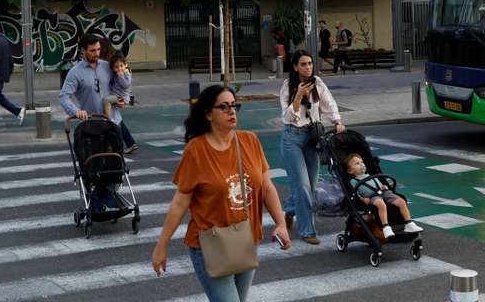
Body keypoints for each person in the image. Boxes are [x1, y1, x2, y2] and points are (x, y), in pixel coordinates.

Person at [151, 85, 291, 301]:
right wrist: (161, 246)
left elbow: (267, 187)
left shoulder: (250, 141)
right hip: (210, 245)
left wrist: (280, 224)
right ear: (208, 114)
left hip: (245, 239)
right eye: (224, 107)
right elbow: (180, 203)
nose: (231, 111)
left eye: (234, 106)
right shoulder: (196, 150)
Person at [279, 50, 345, 245]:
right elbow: (287, 117)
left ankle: (291, 209)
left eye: (310, 63)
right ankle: (307, 231)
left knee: (311, 186)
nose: (308, 67)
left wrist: (337, 121)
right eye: (303, 64)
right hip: (292, 138)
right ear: (295, 67)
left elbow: (329, 103)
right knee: (302, 186)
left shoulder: (317, 83)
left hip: (313, 137)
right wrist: (298, 95)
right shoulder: (287, 87)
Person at [344, 153, 421, 239]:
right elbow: (355, 193)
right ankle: (386, 227)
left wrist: (384, 187)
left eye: (362, 162)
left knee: (401, 201)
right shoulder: (353, 181)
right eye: (357, 164)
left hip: (383, 192)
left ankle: (409, 223)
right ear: (350, 171)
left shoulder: (371, 175)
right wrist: (363, 199)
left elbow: (379, 184)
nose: (361, 165)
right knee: (381, 204)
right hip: (372, 196)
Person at [58, 33, 127, 123]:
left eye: (98, 49)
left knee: (128, 138)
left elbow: (120, 85)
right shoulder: (75, 73)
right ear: (83, 50)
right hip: (91, 124)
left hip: (115, 121)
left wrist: (121, 100)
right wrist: (76, 111)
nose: (97, 53)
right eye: (92, 51)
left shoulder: (107, 66)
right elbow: (64, 97)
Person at [105, 51, 137, 153]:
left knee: (107, 102)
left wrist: (120, 75)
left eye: (121, 66)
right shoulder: (115, 73)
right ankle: (130, 143)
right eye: (116, 67)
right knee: (118, 121)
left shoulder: (126, 74)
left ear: (125, 65)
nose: (119, 69)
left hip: (120, 98)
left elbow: (126, 85)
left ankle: (109, 119)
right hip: (116, 96)